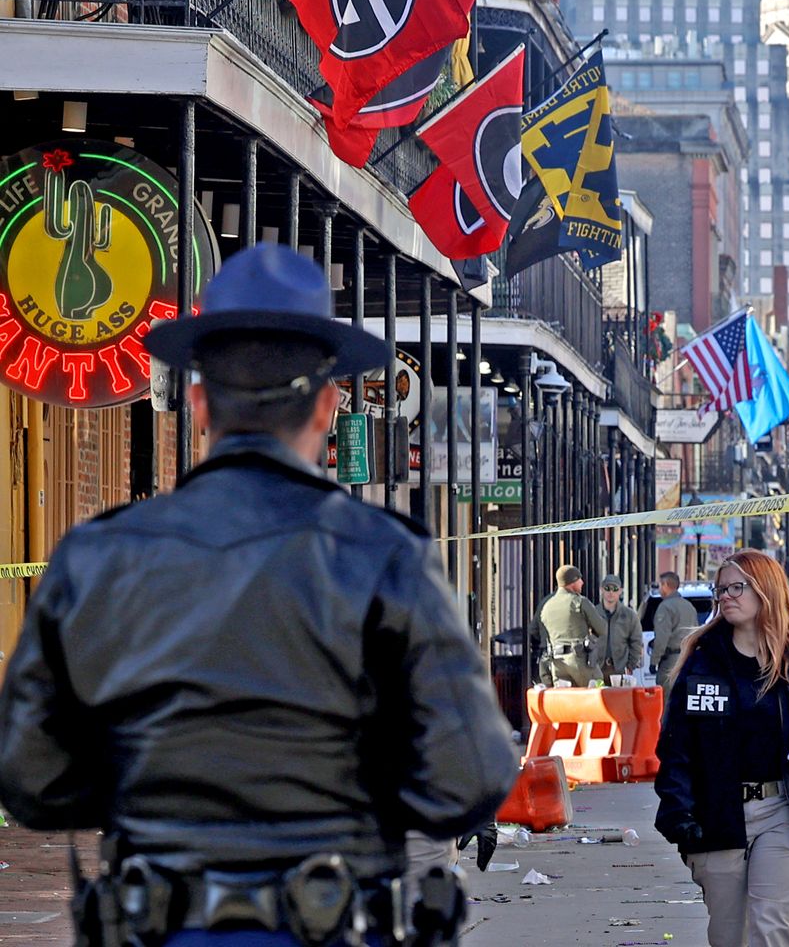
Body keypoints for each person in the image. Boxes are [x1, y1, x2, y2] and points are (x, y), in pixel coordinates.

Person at [0, 244, 517, 946]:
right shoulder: (386, 555)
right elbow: (474, 776)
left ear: (201, 399)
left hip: (158, 920)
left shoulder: (98, 555)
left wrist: (152, 788)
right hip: (331, 920)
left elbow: (30, 778)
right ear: (330, 406)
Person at [654, 550, 789, 947]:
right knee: (730, 936)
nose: (726, 596)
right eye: (721, 589)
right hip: (718, 815)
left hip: (782, 811)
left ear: (766, 592)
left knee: (771, 930)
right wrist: (678, 811)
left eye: (737, 587)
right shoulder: (702, 664)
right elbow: (676, 749)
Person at [542, 564, 607, 686]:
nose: (582, 582)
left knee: (565, 702)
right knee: (597, 693)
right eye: (579, 579)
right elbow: (602, 629)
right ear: (572, 582)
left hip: (557, 663)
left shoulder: (547, 606)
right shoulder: (579, 602)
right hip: (580, 661)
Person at [651, 570, 700, 685]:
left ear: (666, 585)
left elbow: (662, 638)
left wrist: (654, 661)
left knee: (667, 698)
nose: (659, 589)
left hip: (670, 661)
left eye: (660, 585)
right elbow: (696, 633)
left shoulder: (665, 607)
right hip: (687, 659)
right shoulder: (689, 606)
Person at [597, 574, 647, 683]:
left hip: (620, 669)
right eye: (607, 588)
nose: (611, 592)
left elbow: (637, 642)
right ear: (601, 590)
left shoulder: (629, 615)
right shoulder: (594, 613)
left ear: (620, 591)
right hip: (597, 669)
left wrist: (630, 665)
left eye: (615, 589)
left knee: (619, 699)